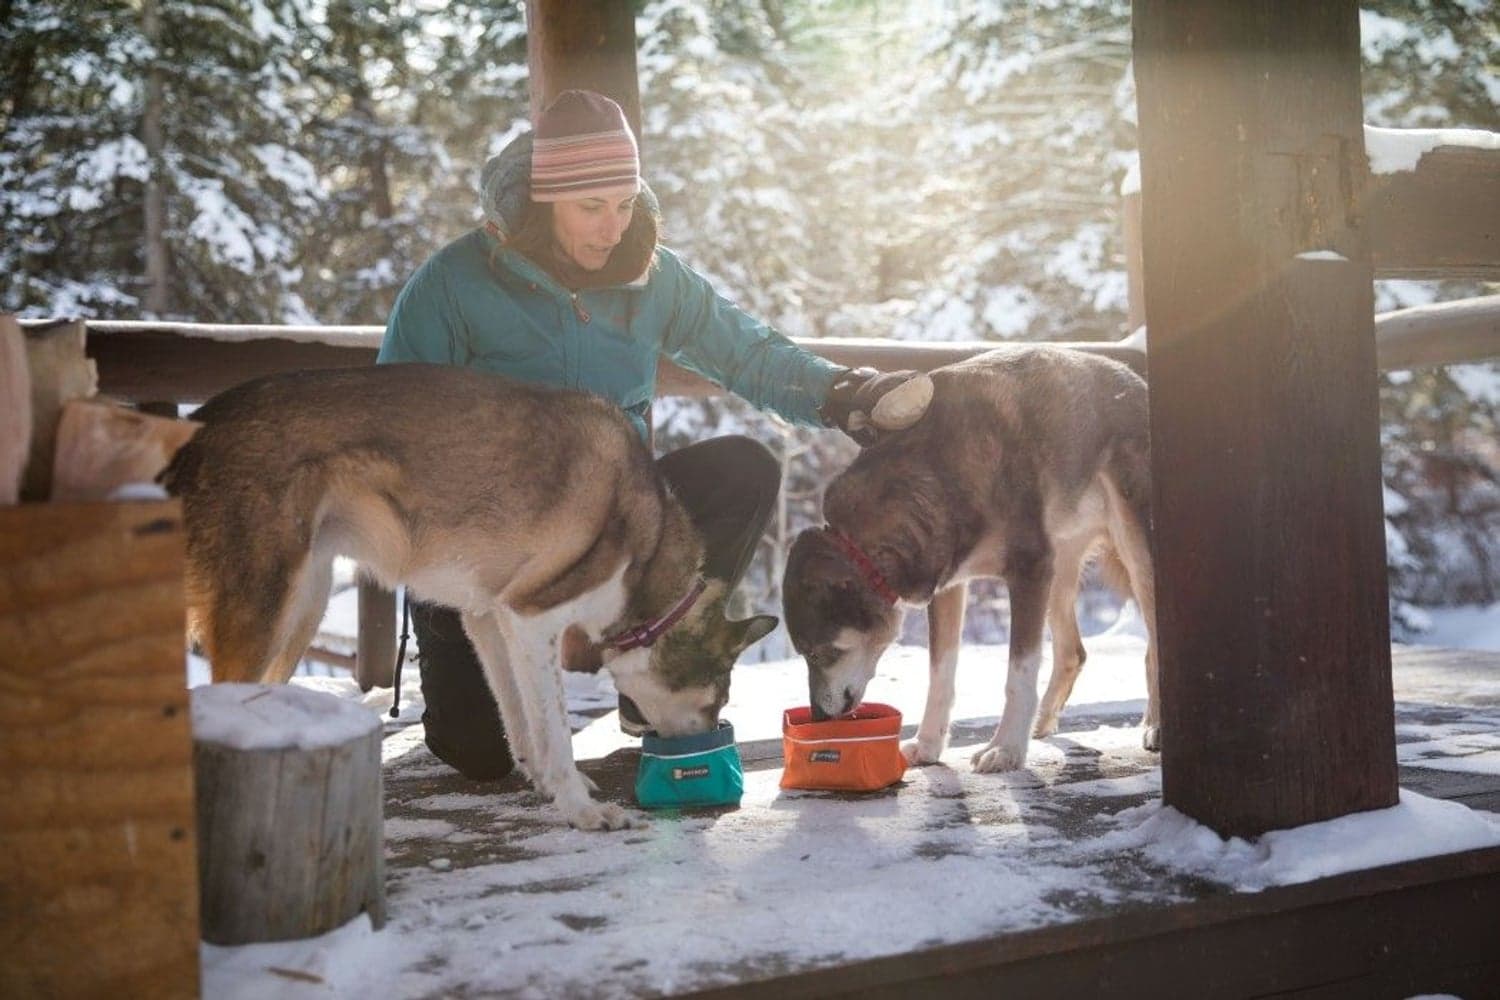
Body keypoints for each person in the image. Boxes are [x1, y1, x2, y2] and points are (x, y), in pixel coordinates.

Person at [378, 89, 913, 780]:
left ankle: (665, 655)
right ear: (545, 201)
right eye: (591, 208)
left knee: (743, 469)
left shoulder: (650, 273)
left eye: (625, 202)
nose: (612, 227)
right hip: (487, 537)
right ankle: (456, 674)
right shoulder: (453, 284)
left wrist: (843, 393)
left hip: (613, 517)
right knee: (477, 756)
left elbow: (746, 352)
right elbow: (394, 419)